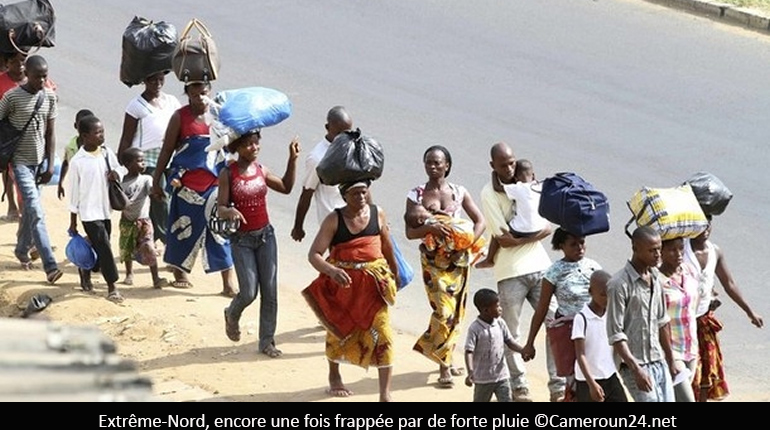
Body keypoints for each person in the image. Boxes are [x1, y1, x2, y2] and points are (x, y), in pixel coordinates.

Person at [478, 141, 564, 402]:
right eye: (503, 165)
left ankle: (558, 388)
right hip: (510, 272)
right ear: (493, 165)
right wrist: (532, 236)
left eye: (512, 162)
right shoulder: (489, 194)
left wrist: (523, 237)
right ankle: (520, 387)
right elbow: (502, 237)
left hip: (541, 268)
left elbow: (548, 227)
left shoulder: (527, 183)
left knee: (556, 324)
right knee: (511, 334)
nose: (509, 168)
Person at [302, 180, 399, 402]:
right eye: (355, 194)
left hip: (374, 287)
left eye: (364, 192)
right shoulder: (333, 220)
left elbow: (387, 245)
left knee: (384, 334)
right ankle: (334, 375)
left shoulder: (378, 213)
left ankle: (385, 394)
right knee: (338, 331)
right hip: (344, 288)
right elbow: (314, 254)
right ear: (344, 196)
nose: (361, 197)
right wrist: (331, 271)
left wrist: (395, 273)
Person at [405, 145, 485, 388]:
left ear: (447, 166)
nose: (433, 166)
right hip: (433, 262)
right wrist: (430, 228)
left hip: (458, 260)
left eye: (437, 163)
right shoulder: (416, 195)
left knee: (457, 314)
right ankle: (443, 364)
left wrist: (468, 242)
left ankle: (445, 358)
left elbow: (480, 220)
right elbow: (410, 231)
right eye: (429, 162)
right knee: (444, 311)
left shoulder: (459, 192)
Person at [151, 81, 236, 296]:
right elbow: (167, 150)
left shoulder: (220, 116)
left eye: (204, 93)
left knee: (220, 232)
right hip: (187, 185)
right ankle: (180, 273)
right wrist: (156, 181)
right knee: (182, 230)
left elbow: (232, 147)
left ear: (210, 93)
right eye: (195, 94)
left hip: (216, 184)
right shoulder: (180, 117)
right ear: (187, 94)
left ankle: (228, 283)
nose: (200, 98)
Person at [221, 129, 300, 358]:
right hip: (241, 240)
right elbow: (221, 207)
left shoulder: (261, 170)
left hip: (266, 237)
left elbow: (285, 187)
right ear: (236, 147)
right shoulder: (228, 174)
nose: (254, 148)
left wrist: (292, 160)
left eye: (256, 144)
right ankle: (232, 314)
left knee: (270, 292)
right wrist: (231, 211)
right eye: (248, 145)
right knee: (248, 292)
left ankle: (267, 341)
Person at [684, 217, 764, 401]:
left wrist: (749, 311)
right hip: (683, 323)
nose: (704, 229)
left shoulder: (715, 251)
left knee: (707, 371)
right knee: (689, 375)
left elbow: (729, 283)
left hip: (703, 321)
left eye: (707, 224)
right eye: (699, 224)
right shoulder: (681, 249)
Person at [0, 55, 62, 284]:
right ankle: (51, 265)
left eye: (45, 77)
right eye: (38, 77)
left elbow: (51, 132)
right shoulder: (12, 97)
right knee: (35, 210)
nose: (42, 81)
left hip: (40, 164)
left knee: (30, 211)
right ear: (28, 74)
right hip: (19, 163)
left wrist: (48, 162)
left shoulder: (49, 97)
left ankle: (21, 248)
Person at [520, 227, 602, 400]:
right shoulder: (554, 272)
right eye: (573, 244)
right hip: (570, 333)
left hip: (595, 330)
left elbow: (607, 299)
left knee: (598, 374)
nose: (579, 248)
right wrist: (529, 343)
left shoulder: (594, 267)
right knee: (575, 379)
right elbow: (542, 309)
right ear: (561, 246)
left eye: (582, 243)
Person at [606, 226, 677, 402]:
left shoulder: (656, 279)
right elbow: (616, 335)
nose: (658, 254)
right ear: (635, 248)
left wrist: (671, 360)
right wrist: (636, 370)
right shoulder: (619, 284)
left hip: (658, 362)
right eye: (652, 250)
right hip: (634, 366)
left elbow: (662, 323)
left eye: (659, 249)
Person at [118, 71, 181, 246]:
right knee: (161, 199)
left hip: (170, 154)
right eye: (152, 79)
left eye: (160, 78)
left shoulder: (172, 102)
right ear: (144, 80)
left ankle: (148, 239)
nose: (157, 82)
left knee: (164, 199)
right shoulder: (136, 106)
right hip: (147, 159)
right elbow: (126, 137)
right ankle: (169, 242)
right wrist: (121, 164)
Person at [66, 115, 123, 302]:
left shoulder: (106, 153)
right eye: (97, 133)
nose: (101, 135)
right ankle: (112, 286)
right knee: (105, 246)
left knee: (100, 244)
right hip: (88, 213)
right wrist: (73, 221)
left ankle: (86, 268)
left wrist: (117, 174)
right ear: (84, 136)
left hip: (105, 209)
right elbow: (74, 194)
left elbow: (120, 169)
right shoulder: (77, 162)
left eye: (102, 131)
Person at [0, 50, 56, 222]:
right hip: (12, 143)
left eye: (22, 61)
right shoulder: (3, 83)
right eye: (15, 62)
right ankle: (19, 216)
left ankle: (26, 232)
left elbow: (51, 96)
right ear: (7, 63)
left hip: (35, 144)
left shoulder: (34, 81)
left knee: (29, 191)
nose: (20, 65)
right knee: (21, 187)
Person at [291, 106, 352, 242]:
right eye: (339, 133)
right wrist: (298, 227)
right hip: (334, 224)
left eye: (347, 133)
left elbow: (362, 187)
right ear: (327, 127)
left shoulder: (351, 149)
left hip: (354, 220)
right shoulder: (318, 158)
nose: (344, 138)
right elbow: (306, 194)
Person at [476, 159, 548, 268]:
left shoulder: (519, 187)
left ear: (516, 178)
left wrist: (494, 173)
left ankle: (489, 259)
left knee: (498, 235)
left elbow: (497, 187)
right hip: (538, 227)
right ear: (533, 176)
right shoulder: (540, 187)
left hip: (523, 228)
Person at [571, 270, 628, 402]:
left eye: (610, 294)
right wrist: (592, 384)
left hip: (610, 375)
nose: (607, 299)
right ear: (591, 292)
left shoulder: (611, 314)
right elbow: (580, 355)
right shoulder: (582, 318)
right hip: (588, 380)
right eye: (603, 295)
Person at [118, 147, 168, 289]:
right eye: (139, 161)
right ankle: (129, 273)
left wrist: (158, 193)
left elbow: (151, 190)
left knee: (149, 247)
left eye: (143, 160)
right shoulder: (122, 183)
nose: (143, 163)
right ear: (128, 164)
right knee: (127, 248)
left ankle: (156, 278)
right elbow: (118, 202)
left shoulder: (146, 179)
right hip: (127, 221)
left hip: (145, 221)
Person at [464, 288, 524, 402]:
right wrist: (470, 372)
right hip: (483, 379)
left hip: (502, 375)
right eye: (497, 306)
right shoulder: (475, 329)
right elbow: (469, 351)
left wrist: (523, 351)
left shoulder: (500, 323)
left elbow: (510, 342)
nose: (500, 309)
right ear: (486, 310)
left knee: (506, 399)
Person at [659, 237, 699, 402]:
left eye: (681, 248)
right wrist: (669, 358)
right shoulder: (657, 281)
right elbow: (657, 322)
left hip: (691, 348)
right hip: (671, 351)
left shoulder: (689, 271)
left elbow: (693, 306)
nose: (678, 254)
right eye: (672, 250)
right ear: (660, 252)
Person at [57, 109, 93, 200]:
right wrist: (60, 182)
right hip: (77, 186)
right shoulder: (71, 146)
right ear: (76, 126)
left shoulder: (96, 147)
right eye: (82, 125)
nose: (85, 129)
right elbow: (66, 162)